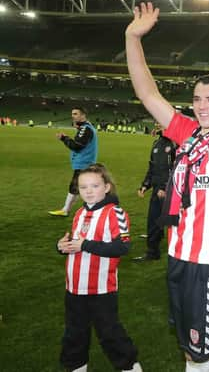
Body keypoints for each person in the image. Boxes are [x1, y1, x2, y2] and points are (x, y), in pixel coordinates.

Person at [126, 2, 209, 372]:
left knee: (197, 353)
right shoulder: (187, 133)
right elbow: (148, 94)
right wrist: (132, 38)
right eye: (198, 99)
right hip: (180, 256)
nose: (201, 106)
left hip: (208, 264)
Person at [56, 164, 142, 372]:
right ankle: (77, 367)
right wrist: (62, 246)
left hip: (101, 289)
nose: (88, 191)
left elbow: (122, 246)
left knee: (110, 333)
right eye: (83, 187)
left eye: (94, 186)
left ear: (106, 187)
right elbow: (75, 243)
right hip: (75, 287)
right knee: (74, 333)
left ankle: (130, 367)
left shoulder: (115, 213)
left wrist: (85, 245)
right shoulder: (79, 213)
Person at [134, 125, 176, 261]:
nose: (157, 125)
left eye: (161, 123)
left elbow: (176, 168)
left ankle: (157, 251)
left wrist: (165, 187)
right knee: (154, 219)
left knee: (168, 220)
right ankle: (154, 248)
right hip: (158, 189)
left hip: (170, 190)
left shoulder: (176, 143)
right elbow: (152, 167)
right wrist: (145, 185)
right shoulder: (157, 143)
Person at [49, 107, 98, 217]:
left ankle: (67, 210)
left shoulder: (86, 129)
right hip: (85, 162)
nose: (73, 116)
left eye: (75, 114)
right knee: (78, 187)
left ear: (83, 115)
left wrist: (64, 138)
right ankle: (67, 209)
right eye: (72, 113)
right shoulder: (86, 127)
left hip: (84, 163)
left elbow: (77, 146)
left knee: (79, 187)